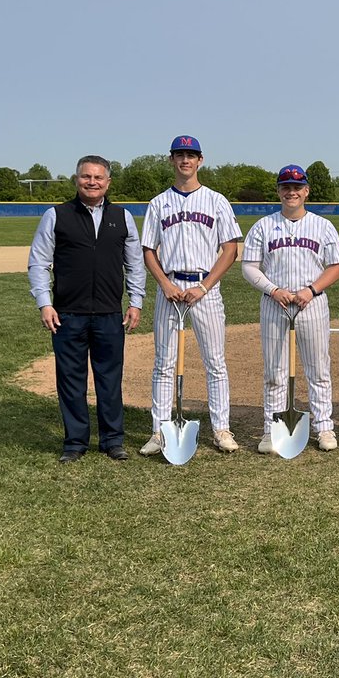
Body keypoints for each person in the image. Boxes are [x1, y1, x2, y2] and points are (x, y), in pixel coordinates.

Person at [28, 156, 146, 463]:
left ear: (108, 182)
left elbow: (134, 264)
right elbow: (39, 262)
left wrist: (136, 302)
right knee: (70, 379)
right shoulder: (56, 215)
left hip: (109, 313)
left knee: (109, 379)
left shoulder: (122, 217)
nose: (91, 182)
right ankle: (75, 443)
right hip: (68, 313)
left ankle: (112, 440)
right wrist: (45, 303)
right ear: (76, 179)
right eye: (85, 176)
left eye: (98, 177)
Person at [140, 136, 243, 456]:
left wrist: (205, 286)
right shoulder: (159, 203)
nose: (185, 160)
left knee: (215, 362)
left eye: (191, 155)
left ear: (200, 160)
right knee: (163, 363)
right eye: (179, 155)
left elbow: (230, 249)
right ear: (171, 160)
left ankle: (221, 429)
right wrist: (165, 285)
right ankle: (159, 430)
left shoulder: (216, 200)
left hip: (205, 290)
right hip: (169, 289)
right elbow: (148, 250)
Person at [241, 165, 339, 453]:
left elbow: (336, 266)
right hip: (275, 303)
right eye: (286, 186)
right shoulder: (263, 226)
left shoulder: (322, 226)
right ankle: (271, 429)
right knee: (275, 370)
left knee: (318, 368)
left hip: (311, 303)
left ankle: (324, 427)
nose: (292, 191)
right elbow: (249, 267)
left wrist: (311, 290)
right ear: (278, 191)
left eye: (297, 187)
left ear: (306, 191)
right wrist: (273, 289)